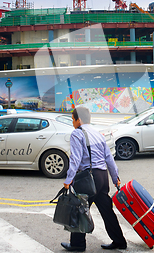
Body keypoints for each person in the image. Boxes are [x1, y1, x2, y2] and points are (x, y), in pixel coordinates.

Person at [61, 107, 127, 252]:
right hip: (102, 177)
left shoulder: (77, 134)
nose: (73, 122)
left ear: (79, 120)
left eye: (73, 119)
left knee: (80, 209)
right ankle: (119, 241)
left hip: (88, 178)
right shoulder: (98, 134)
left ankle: (77, 244)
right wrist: (115, 178)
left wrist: (68, 179)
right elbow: (109, 158)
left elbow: (75, 159)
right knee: (107, 210)